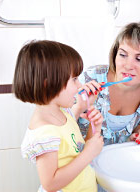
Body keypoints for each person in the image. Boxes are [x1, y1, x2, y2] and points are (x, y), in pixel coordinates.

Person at [13, 40, 104, 192]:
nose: (79, 85)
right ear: (48, 84)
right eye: (74, 79)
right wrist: (88, 153)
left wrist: (95, 125)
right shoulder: (44, 132)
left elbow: (80, 148)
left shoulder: (63, 113)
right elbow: (50, 184)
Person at [76, 21, 140, 146]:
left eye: (139, 59)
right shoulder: (91, 78)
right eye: (123, 55)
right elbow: (59, 123)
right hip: (79, 161)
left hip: (117, 159)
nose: (128, 65)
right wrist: (78, 107)